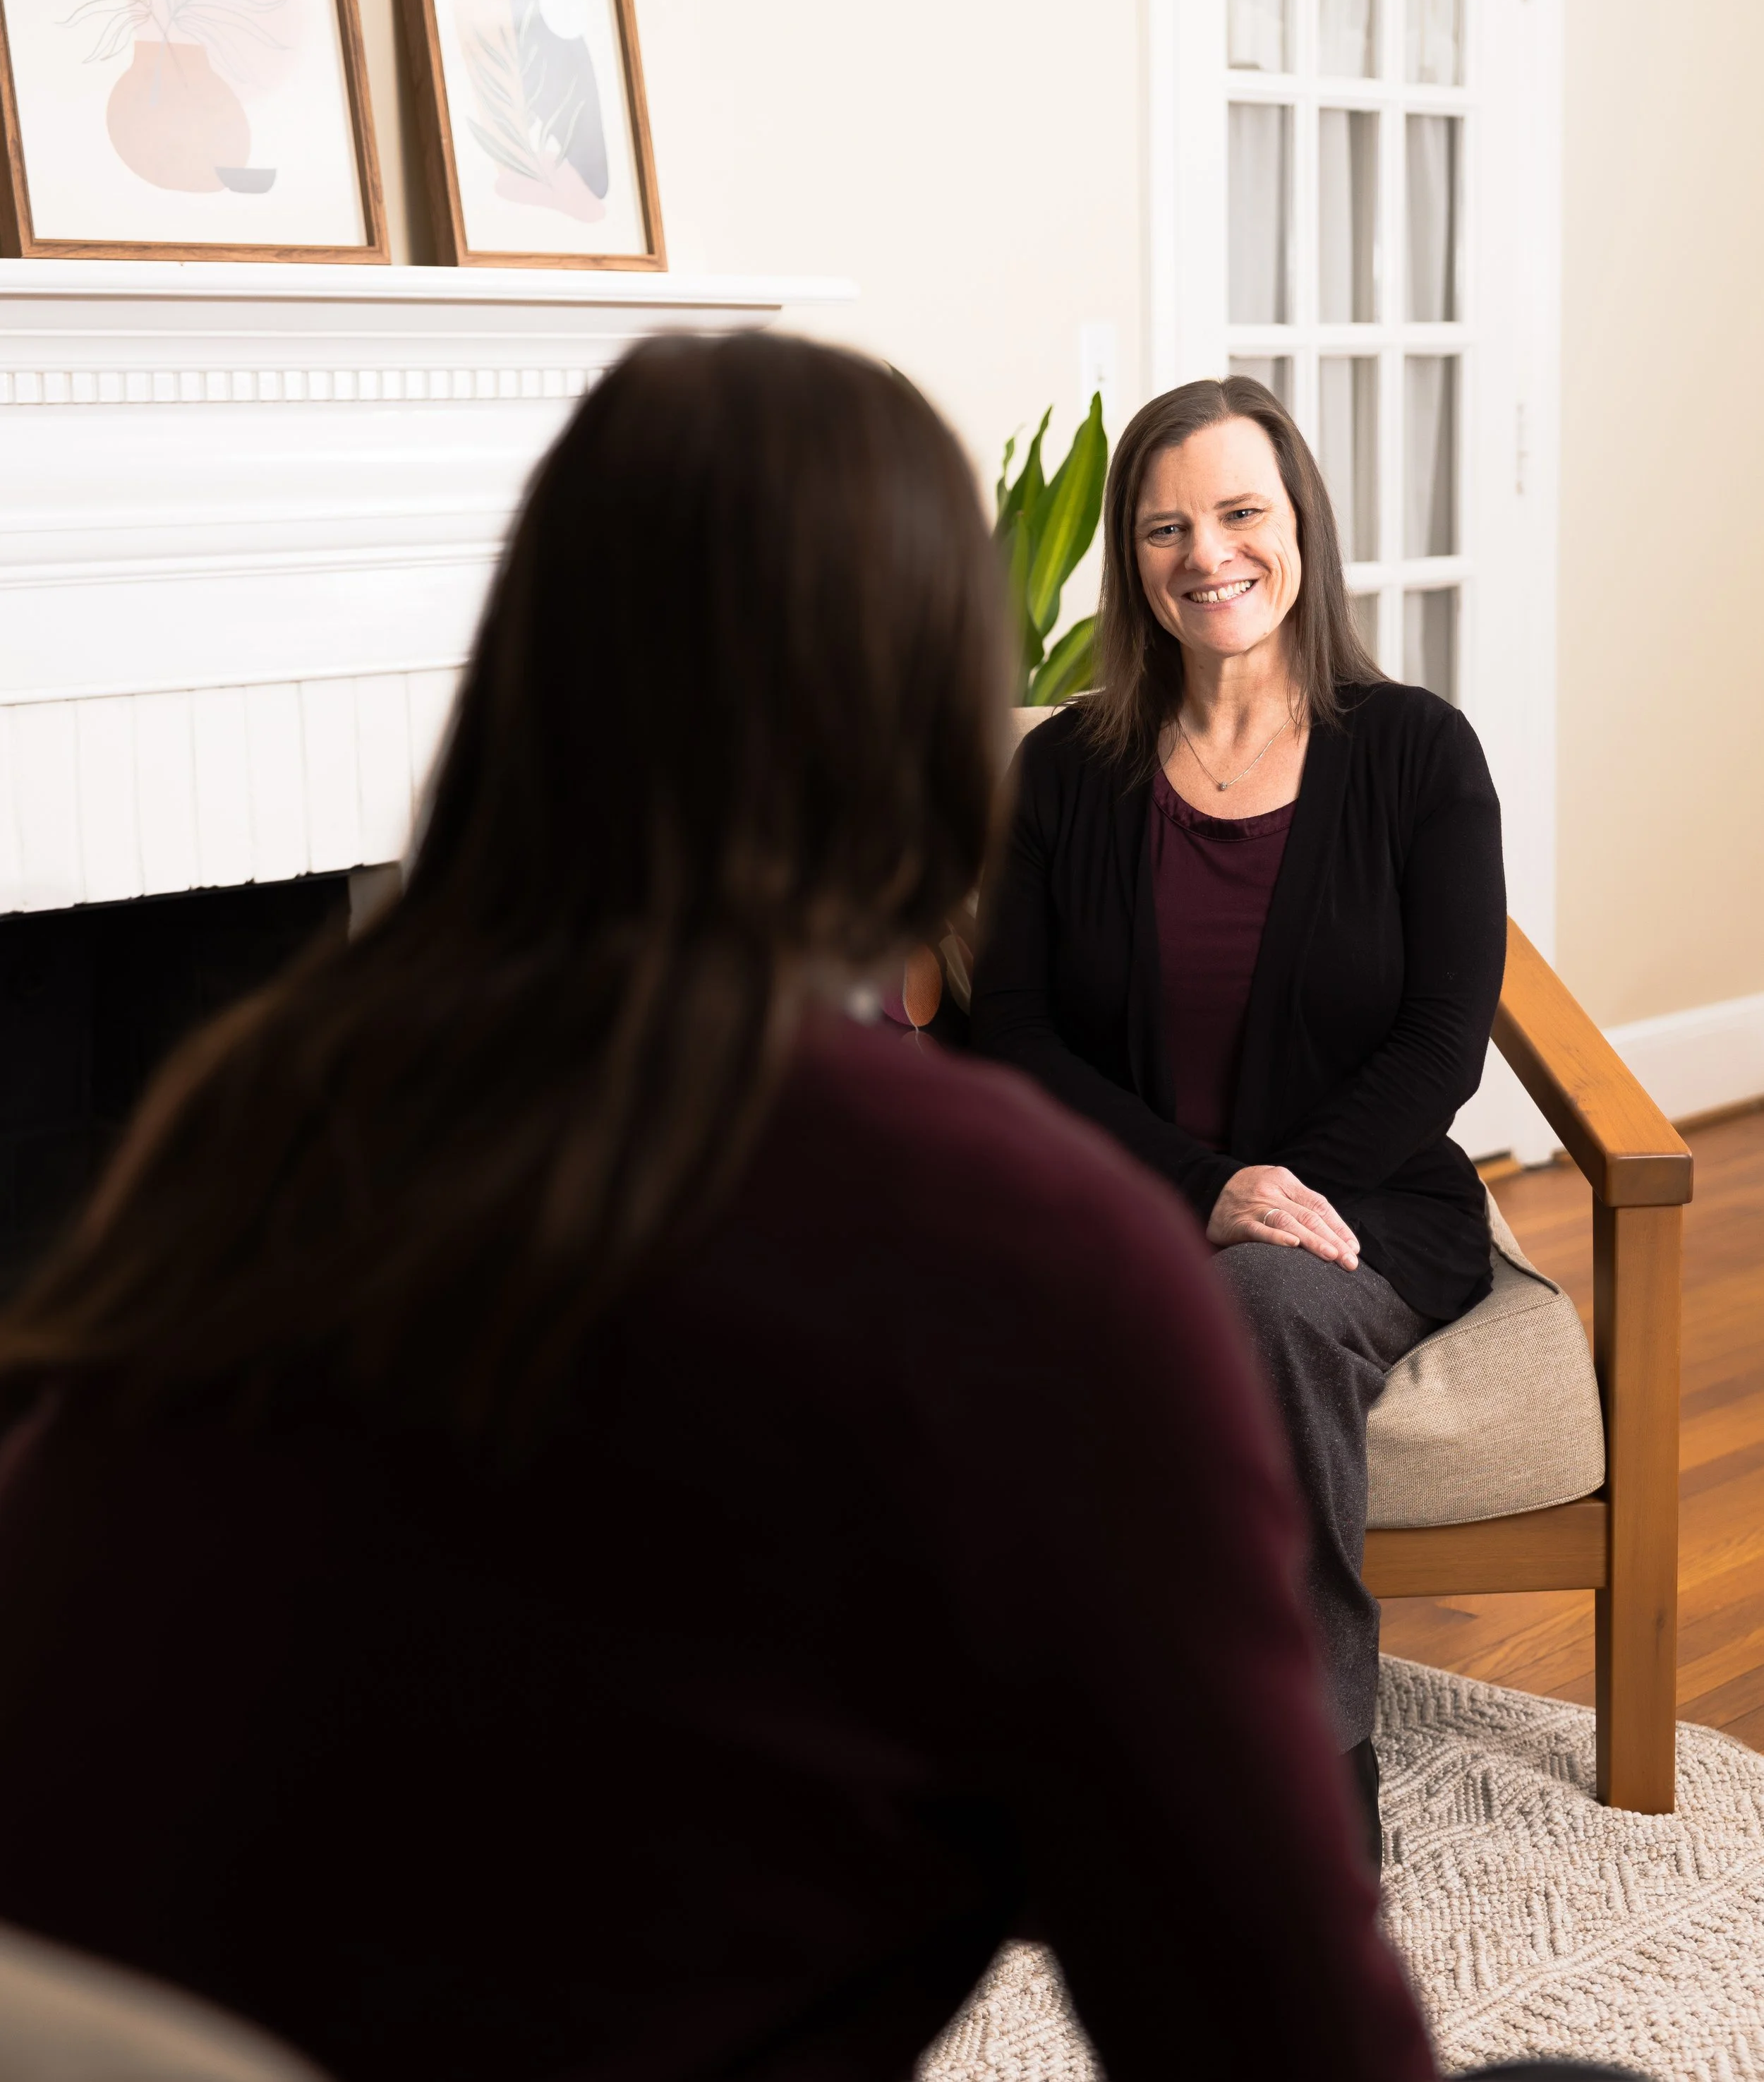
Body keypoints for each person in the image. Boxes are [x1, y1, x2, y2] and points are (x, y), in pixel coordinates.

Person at [0, 335, 1619, 2082]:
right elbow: (1261, 2023)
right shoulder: (1017, 1254)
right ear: (932, 724)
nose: (1201, 554)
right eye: (1162, 526)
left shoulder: (237, 1110)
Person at [969, 374, 1507, 1848]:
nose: (1205, 553)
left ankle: (1302, 1785)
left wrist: (1277, 1196)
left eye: (1237, 512)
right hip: (1127, 1203)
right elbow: (1006, 1030)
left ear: (1296, 527)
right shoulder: (1062, 773)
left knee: (1261, 1301)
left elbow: (1439, 1038)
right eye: (1162, 527)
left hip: (1364, 1209)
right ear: (1130, 562)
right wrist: (1201, 1186)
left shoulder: (1412, 750)